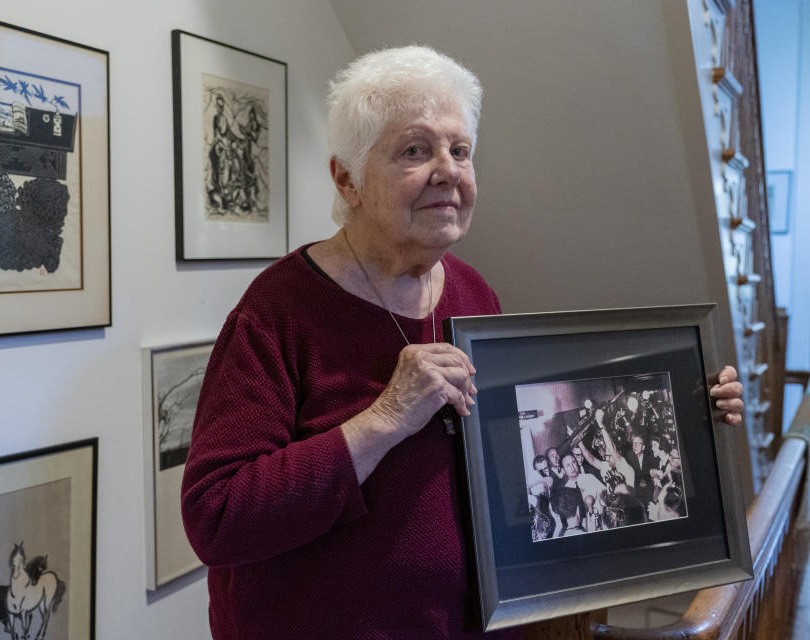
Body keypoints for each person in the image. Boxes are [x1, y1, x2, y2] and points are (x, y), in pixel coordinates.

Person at [180, 45, 745, 639]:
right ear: (346, 178)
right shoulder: (277, 310)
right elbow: (216, 517)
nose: (448, 170)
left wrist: (682, 416)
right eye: (415, 150)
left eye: (461, 150)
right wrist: (387, 417)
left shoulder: (474, 293)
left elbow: (523, 459)